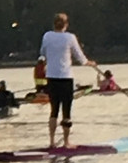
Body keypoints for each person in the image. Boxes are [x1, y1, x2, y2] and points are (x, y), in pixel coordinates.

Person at [39, 12, 95, 148]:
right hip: (65, 77)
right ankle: (66, 142)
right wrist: (90, 63)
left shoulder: (47, 36)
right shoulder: (70, 37)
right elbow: (81, 58)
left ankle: (52, 142)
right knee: (66, 111)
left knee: (54, 110)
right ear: (66, 25)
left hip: (51, 77)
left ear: (54, 24)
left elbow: (42, 53)